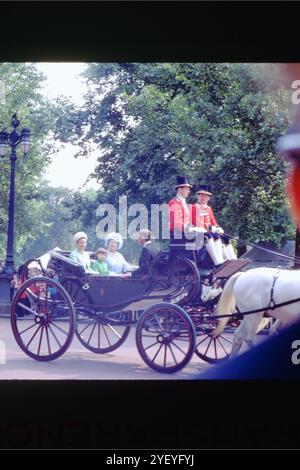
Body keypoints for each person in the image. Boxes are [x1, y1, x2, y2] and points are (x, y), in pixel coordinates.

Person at [192, 185, 236, 266]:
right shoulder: (194, 207)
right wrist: (210, 228)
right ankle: (218, 261)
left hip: (210, 231)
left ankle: (233, 260)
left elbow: (213, 222)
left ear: (209, 198)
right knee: (215, 236)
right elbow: (197, 222)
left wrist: (218, 227)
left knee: (226, 238)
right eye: (201, 195)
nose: (203, 197)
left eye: (206, 196)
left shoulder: (208, 208)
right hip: (199, 233)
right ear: (198, 196)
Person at [168, 176, 202, 259]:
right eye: (187, 189)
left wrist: (194, 227)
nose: (189, 191)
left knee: (211, 235)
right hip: (178, 234)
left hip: (185, 232)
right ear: (180, 190)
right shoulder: (174, 203)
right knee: (204, 237)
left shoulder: (183, 203)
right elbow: (177, 223)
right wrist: (189, 228)